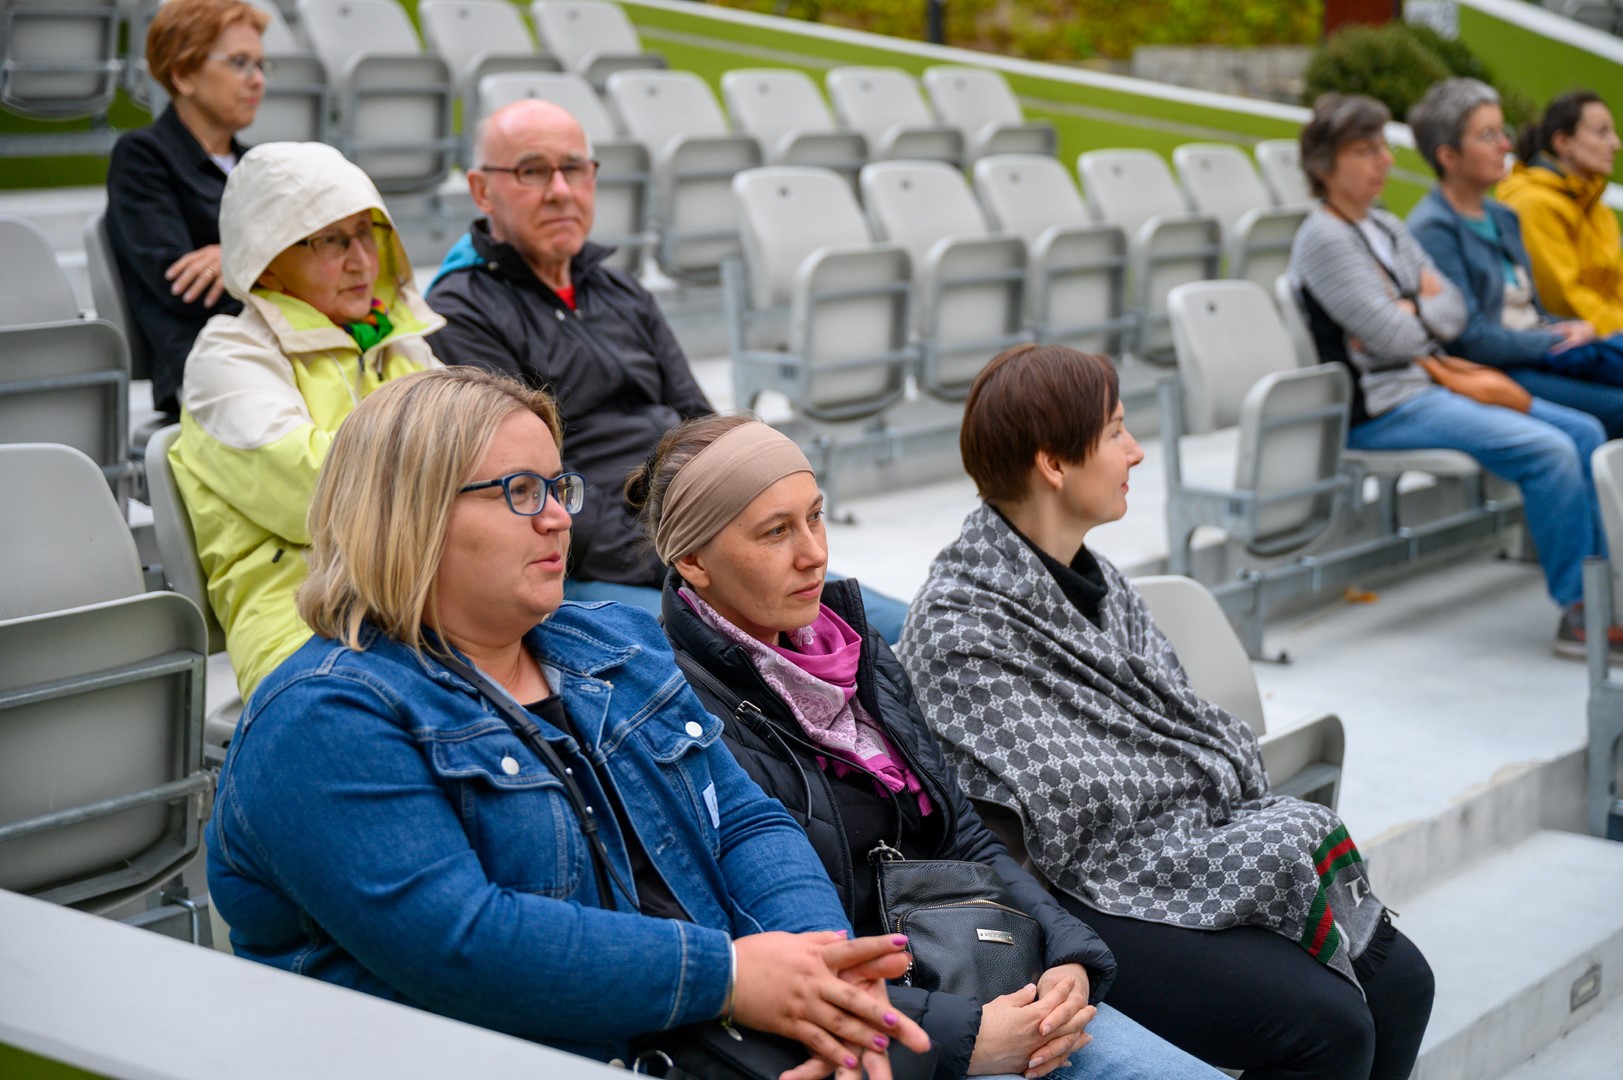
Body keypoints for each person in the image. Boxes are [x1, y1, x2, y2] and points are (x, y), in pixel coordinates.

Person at [206, 366, 933, 1079]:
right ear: (409, 513)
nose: (559, 517)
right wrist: (733, 976)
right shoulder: (322, 718)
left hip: (714, 1041)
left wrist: (824, 968)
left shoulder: (613, 644)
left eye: (558, 488)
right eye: (521, 492)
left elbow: (744, 822)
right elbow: (465, 943)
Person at [630, 414, 1227, 1080]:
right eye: (775, 532)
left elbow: (962, 835)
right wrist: (966, 1039)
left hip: (986, 975)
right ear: (692, 561)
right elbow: (763, 954)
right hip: (885, 1035)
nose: (813, 553)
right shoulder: (677, 715)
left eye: (816, 517)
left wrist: (1068, 955)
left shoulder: (859, 654)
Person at [898, 343, 1436, 1080]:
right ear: (1053, 464)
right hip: (1067, 892)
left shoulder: (1098, 581)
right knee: (1329, 1029)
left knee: (1405, 985)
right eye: (1115, 431)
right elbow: (1068, 810)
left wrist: (1192, 799)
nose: (1136, 451)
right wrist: (1188, 793)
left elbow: (1169, 731)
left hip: (1163, 844)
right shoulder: (958, 630)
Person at [426, 99, 911, 642]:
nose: (560, 190)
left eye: (574, 168)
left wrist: (741, 534)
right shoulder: (460, 311)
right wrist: (693, 557)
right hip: (594, 563)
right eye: (532, 171)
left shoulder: (620, 290)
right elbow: (533, 489)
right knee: (750, 651)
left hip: (699, 540)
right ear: (481, 190)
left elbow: (702, 428)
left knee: (898, 625)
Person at [1288, 93, 1610, 657]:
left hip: (1431, 381)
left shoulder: (1383, 224)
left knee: (1584, 431)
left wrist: (1408, 309)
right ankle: (1581, 613)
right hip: (1384, 406)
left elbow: (1454, 309)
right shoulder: (1325, 238)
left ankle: (1610, 594)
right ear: (1324, 166)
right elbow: (1396, 337)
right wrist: (1418, 307)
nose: (1384, 160)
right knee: (1549, 451)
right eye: (1365, 151)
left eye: (1382, 147)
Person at [169, 141, 443, 700]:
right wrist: (447, 464)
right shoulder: (230, 356)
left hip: (427, 605)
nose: (362, 261)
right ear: (266, 259)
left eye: (366, 233)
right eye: (330, 241)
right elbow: (320, 491)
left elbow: (481, 449)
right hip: (302, 625)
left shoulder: (399, 343)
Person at [1406, 78, 1623, 436]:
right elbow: (1471, 340)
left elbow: (1533, 311)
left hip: (1537, 351)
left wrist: (1577, 329)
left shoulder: (1502, 216)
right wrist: (1556, 338)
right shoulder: (1434, 229)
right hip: (1498, 369)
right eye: (1487, 136)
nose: (1505, 145)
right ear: (1449, 157)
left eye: (1502, 132)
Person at [106, 0, 269, 421]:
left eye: (260, 65)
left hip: (274, 349)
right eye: (239, 63)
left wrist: (231, 260)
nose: (257, 80)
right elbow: (183, 286)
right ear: (183, 74)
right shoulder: (143, 156)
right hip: (205, 367)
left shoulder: (260, 164)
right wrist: (261, 259)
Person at [1499, 91, 1623, 335]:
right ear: (1563, 142)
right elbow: (1564, 301)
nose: (1616, 144)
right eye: (1602, 133)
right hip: (1566, 339)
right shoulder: (1533, 203)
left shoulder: (1597, 208)